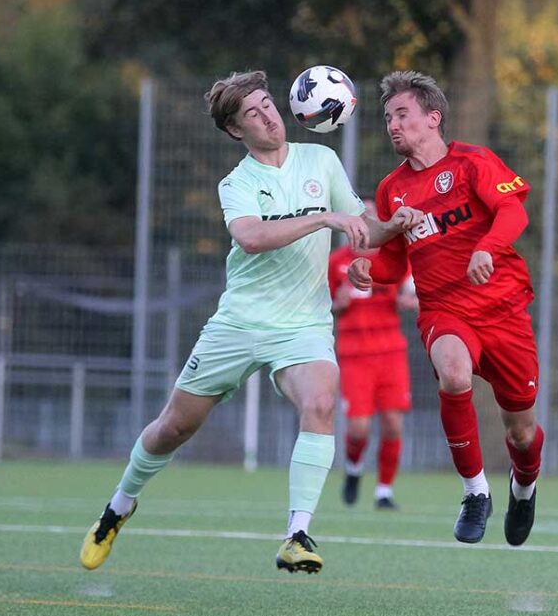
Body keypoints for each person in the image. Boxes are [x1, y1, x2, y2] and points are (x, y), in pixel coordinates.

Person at [79, 70, 421, 575]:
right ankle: (119, 506)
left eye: (268, 105)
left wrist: (394, 225)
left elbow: (362, 230)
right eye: (253, 114)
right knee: (174, 427)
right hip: (239, 323)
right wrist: (323, 218)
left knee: (322, 403)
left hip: (303, 326)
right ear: (235, 129)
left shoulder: (320, 160)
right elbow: (252, 238)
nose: (268, 118)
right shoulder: (236, 183)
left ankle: (297, 535)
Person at [348, 71, 545, 546]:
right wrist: (367, 269)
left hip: (503, 310)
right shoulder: (391, 189)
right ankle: (475, 492)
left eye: (402, 114)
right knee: (453, 374)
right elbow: (394, 261)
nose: (393, 125)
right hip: (443, 310)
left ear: (433, 118)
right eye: (388, 118)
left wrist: (486, 249)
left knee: (521, 432)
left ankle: (523, 488)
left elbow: (513, 211)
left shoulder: (472, 162)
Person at [328, 200, 418, 510]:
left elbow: (415, 293)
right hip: (354, 354)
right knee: (359, 428)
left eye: (372, 219)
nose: (366, 225)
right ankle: (354, 470)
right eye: (361, 218)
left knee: (393, 424)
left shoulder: (393, 260)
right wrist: (337, 305)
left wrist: (411, 301)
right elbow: (322, 306)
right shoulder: (337, 262)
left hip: (391, 352)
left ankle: (384, 491)